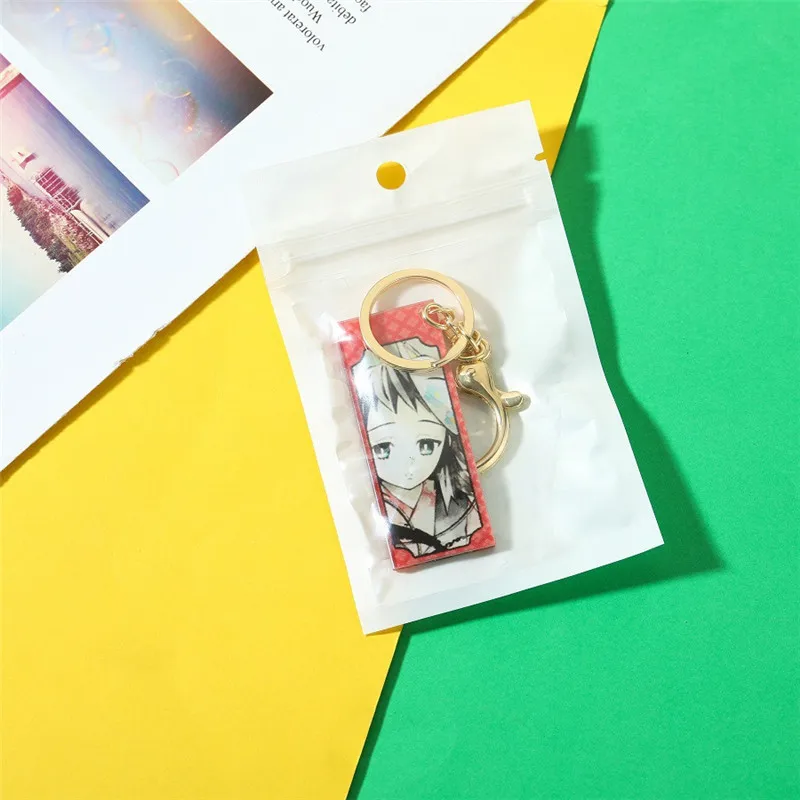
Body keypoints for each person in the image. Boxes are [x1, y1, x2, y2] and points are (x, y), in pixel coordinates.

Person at [352, 338, 481, 558]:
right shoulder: (368, 507)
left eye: (427, 444)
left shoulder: (459, 505)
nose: (408, 462)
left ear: (446, 440)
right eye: (383, 447)